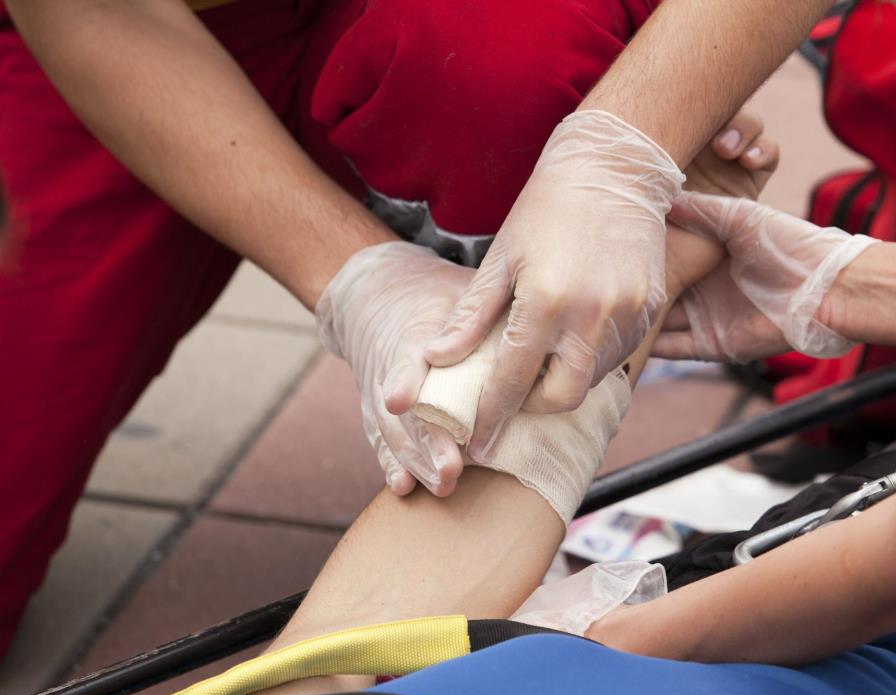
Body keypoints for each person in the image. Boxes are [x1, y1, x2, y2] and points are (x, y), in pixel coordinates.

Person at [0, 0, 780, 660]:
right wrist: (357, 279)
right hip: (118, 26)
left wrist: (634, 133)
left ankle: (517, 392)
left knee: (512, 71)